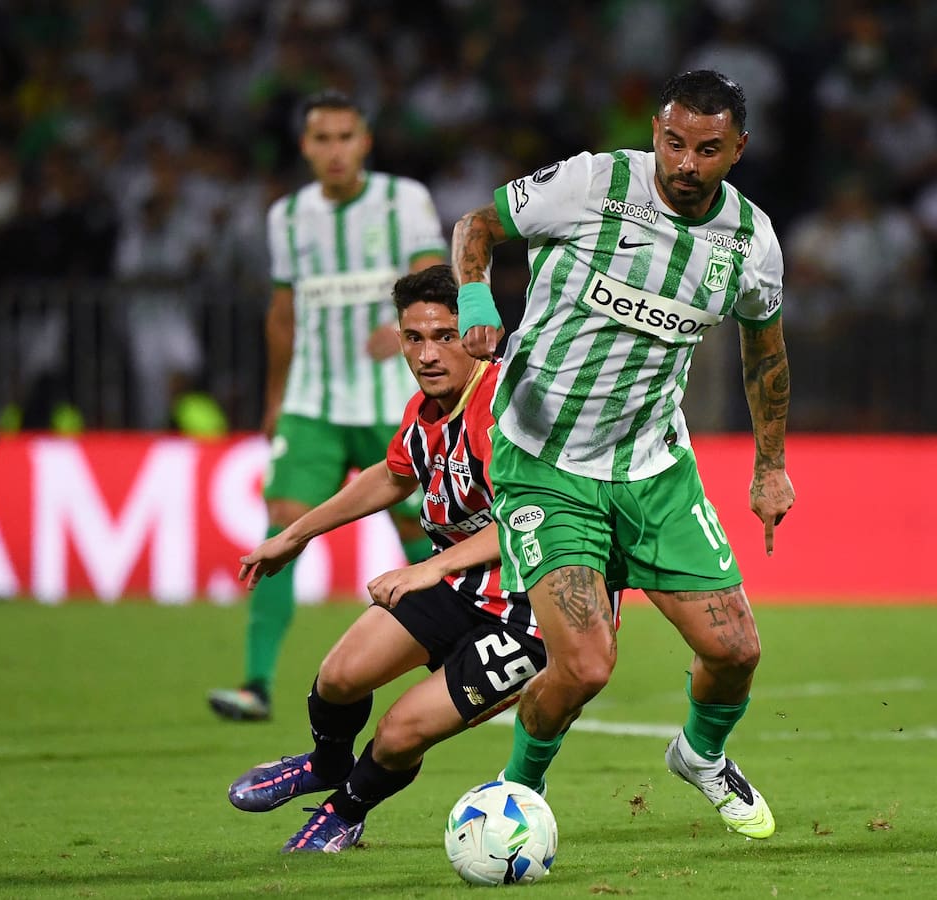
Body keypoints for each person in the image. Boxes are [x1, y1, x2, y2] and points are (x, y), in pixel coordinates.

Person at [450, 70, 793, 839]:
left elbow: (765, 351)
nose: (686, 164)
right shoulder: (594, 183)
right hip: (547, 461)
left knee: (736, 649)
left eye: (708, 149)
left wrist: (770, 464)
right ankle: (514, 796)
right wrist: (477, 300)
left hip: (653, 468)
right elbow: (477, 225)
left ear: (738, 149)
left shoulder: (751, 240)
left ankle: (700, 756)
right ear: (655, 133)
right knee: (583, 668)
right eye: (674, 143)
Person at [226, 265, 619, 852]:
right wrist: (297, 534)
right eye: (414, 338)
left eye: (445, 336)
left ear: (475, 335)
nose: (428, 354)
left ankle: (345, 809)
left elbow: (531, 518)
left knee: (399, 732)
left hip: (534, 613)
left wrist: (428, 567)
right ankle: (329, 762)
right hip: (463, 586)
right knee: (338, 677)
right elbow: (392, 474)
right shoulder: (428, 408)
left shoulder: (505, 411)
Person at [208, 89, 446, 722]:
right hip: (312, 401)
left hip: (392, 402)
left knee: (425, 528)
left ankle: (459, 651)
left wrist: (403, 324)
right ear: (305, 146)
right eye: (323, 139)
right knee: (283, 524)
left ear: (364, 142)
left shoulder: (405, 201)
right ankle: (256, 684)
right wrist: (274, 397)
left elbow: (434, 282)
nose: (335, 150)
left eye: (346, 137)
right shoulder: (287, 216)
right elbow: (282, 315)